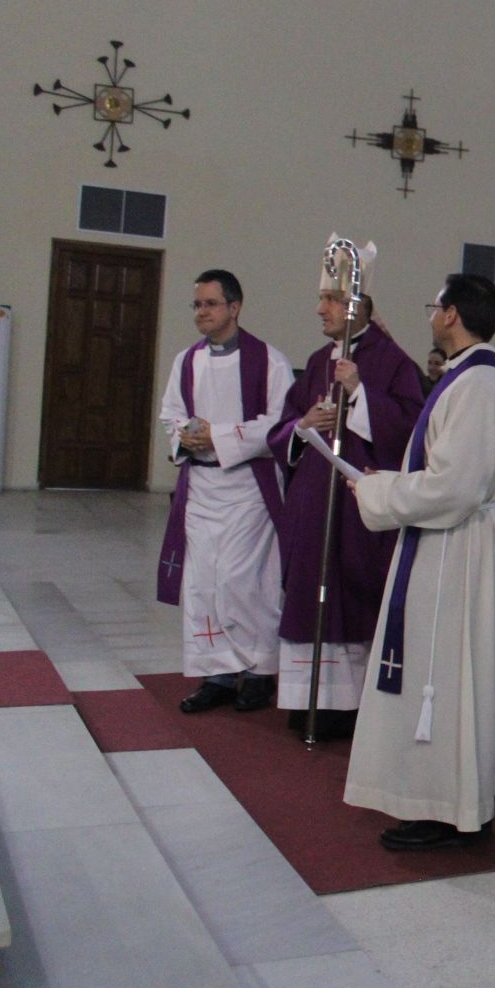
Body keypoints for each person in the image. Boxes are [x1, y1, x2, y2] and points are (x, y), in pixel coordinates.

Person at [343, 273, 495, 850]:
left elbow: (456, 487)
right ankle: (451, 797)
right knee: (444, 670)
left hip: (454, 546)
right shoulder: (468, 376)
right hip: (445, 541)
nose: (431, 315)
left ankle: (446, 807)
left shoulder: (478, 383)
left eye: (434, 306)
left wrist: (380, 494)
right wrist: (395, 481)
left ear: (451, 315)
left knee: (440, 674)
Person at [268, 281, 423, 740]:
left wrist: (358, 395)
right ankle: (309, 698)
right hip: (313, 505)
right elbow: (285, 426)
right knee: (310, 594)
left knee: (351, 597)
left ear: (360, 304)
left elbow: (412, 429)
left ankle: (350, 704)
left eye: (331, 300)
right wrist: (303, 426)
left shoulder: (392, 361)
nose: (320, 309)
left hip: (358, 512)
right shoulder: (319, 361)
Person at [157, 270, 294, 714]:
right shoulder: (186, 361)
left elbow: (280, 423)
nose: (201, 312)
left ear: (234, 307)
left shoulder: (268, 360)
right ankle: (215, 673)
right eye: (196, 305)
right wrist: (187, 435)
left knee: (242, 582)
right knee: (203, 584)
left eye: (210, 304)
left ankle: (257, 671)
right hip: (200, 487)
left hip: (247, 489)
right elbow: (171, 414)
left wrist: (220, 437)